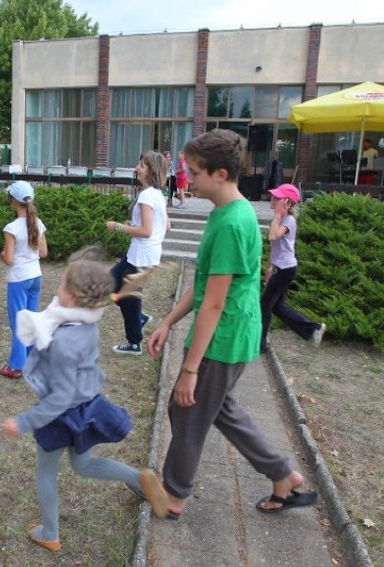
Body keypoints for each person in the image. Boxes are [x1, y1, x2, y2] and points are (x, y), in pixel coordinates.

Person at [146, 128, 318, 518]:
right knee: (219, 408)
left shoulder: (230, 224)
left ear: (221, 174)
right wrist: (169, 321)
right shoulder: (229, 212)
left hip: (222, 337)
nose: (187, 178)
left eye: (195, 171)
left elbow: (214, 303)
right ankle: (283, 477)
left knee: (187, 411)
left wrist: (190, 368)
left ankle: (173, 497)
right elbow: (207, 282)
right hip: (235, 332)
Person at [1, 255, 170, 554]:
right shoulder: (86, 323)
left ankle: (49, 532)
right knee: (83, 463)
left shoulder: (64, 341)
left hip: (62, 413)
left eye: (64, 283)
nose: (59, 286)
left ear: (75, 296)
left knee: (46, 472)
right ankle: (139, 479)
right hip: (87, 405)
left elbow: (60, 397)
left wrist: (25, 421)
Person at [105, 150, 168, 355]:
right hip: (142, 255)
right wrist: (135, 224)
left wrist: (118, 227)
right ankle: (138, 324)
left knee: (115, 289)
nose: (137, 168)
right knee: (123, 292)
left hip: (141, 256)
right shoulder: (156, 194)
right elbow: (166, 225)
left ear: (151, 170)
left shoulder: (148, 195)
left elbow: (146, 231)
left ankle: (135, 339)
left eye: (141, 165)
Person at [260, 183, 326, 352]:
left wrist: (277, 214)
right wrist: (269, 267)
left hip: (285, 269)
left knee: (265, 304)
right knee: (277, 307)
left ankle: (261, 343)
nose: (273, 199)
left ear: (287, 202)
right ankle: (313, 328)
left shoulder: (288, 220)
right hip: (281, 268)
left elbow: (273, 236)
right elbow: (275, 247)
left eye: (277, 197)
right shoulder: (281, 219)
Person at [0, 181, 48, 379]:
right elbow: (43, 252)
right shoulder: (38, 222)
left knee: (18, 322)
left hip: (19, 279)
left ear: (12, 201)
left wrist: (2, 255)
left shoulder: (11, 228)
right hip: (35, 276)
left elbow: (9, 259)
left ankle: (16, 366)